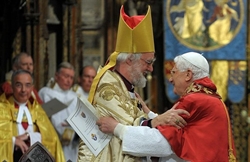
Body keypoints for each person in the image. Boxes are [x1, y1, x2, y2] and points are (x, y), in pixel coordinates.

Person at [77, 5, 189, 162]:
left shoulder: (127, 88)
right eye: (148, 62)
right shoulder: (107, 87)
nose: (150, 68)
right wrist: (157, 120)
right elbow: (130, 130)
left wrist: (152, 116)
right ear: (130, 59)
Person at [97, 52, 237, 162]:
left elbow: (164, 142)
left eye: (174, 72)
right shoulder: (207, 97)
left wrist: (117, 128)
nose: (170, 79)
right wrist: (150, 114)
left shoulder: (195, 100)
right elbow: (184, 133)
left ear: (188, 75)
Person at [0, 70, 65, 162]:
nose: (23, 90)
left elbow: (52, 140)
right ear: (12, 87)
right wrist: (14, 141)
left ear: (32, 88)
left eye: (27, 85)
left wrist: (29, 136)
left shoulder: (38, 110)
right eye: (18, 85)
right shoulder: (2, 109)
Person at [38, 62, 79, 162]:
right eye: (66, 76)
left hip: (72, 144)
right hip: (51, 141)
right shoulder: (46, 93)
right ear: (56, 76)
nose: (69, 80)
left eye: (71, 77)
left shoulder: (75, 97)